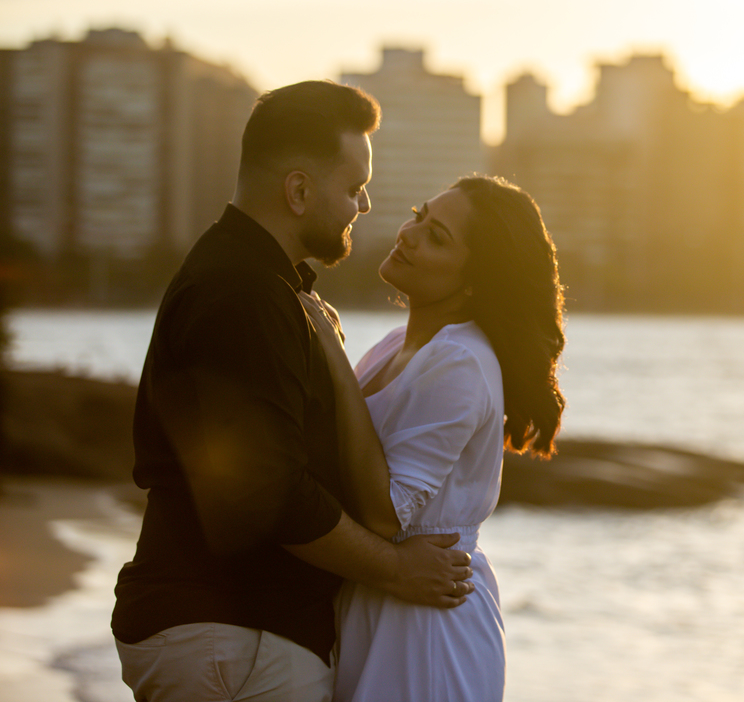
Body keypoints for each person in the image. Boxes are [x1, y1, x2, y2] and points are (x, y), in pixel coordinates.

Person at [111, 80, 475, 702]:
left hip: (231, 637)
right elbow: (269, 492)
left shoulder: (263, 286)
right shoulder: (242, 293)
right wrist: (396, 570)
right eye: (354, 187)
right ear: (299, 190)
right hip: (232, 638)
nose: (364, 206)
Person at [301, 175, 565, 702]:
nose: (409, 233)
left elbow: (386, 514)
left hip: (427, 625)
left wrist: (329, 353)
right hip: (380, 602)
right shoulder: (395, 345)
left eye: (437, 236)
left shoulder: (460, 361)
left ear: (475, 281)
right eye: (420, 215)